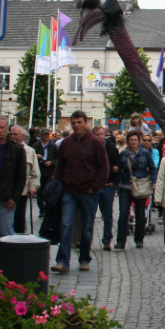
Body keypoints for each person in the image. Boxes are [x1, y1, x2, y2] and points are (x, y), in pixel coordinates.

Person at [51, 111, 109, 272]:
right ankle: (63, 261)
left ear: (86, 123)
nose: (76, 125)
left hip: (88, 191)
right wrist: (58, 184)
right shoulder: (66, 143)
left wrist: (95, 187)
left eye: (79, 122)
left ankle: (84, 258)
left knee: (87, 227)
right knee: (65, 225)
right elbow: (60, 166)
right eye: (74, 123)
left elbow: (104, 167)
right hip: (69, 191)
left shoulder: (95, 142)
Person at [0, 116, 27, 238]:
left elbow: (21, 175)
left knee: (5, 232)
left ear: (7, 128)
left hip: (6, 198)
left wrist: (15, 197)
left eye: (2, 127)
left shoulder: (17, 149)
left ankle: (7, 257)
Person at [116, 130, 156, 250]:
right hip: (125, 186)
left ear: (139, 141)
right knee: (123, 214)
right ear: (128, 141)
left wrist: (153, 182)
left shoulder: (145, 154)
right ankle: (120, 241)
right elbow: (119, 169)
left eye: (135, 140)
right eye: (131, 140)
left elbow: (153, 168)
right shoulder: (123, 154)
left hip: (140, 186)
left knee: (140, 214)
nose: (133, 142)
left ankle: (139, 239)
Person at [93, 126, 121, 252]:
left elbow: (118, 166)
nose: (99, 137)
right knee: (90, 215)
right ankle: (87, 240)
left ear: (105, 135)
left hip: (107, 186)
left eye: (101, 134)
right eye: (97, 135)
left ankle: (106, 240)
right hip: (93, 187)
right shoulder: (90, 147)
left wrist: (114, 183)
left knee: (108, 215)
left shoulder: (111, 147)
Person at [9, 125, 40, 234]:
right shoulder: (7, 148)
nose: (12, 136)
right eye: (11, 134)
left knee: (19, 217)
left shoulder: (29, 151)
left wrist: (33, 186)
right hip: (7, 190)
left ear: (23, 136)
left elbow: (35, 172)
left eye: (15, 134)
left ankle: (20, 236)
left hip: (22, 190)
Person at [32, 128, 58, 219]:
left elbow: (58, 159)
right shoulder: (36, 146)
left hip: (50, 172)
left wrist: (51, 163)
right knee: (40, 193)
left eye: (47, 134)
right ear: (40, 135)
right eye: (44, 134)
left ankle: (47, 209)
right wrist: (36, 156)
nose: (46, 136)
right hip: (39, 171)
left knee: (48, 192)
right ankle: (42, 210)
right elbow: (31, 158)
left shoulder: (53, 146)